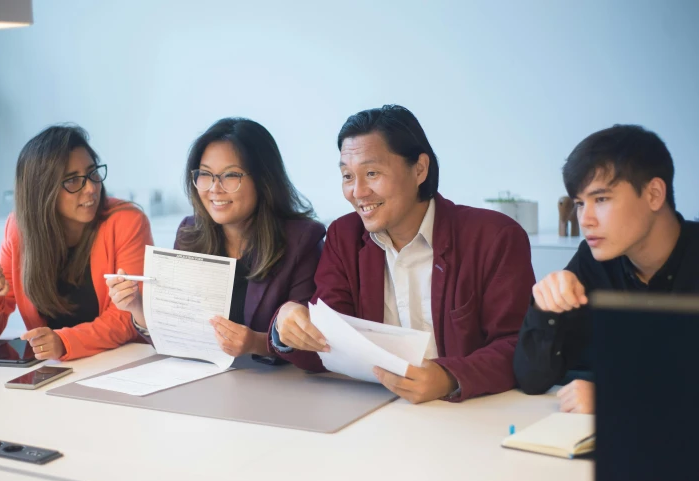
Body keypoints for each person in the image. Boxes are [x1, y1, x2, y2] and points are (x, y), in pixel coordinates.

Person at [270, 105, 534, 402]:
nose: (357, 192)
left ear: (419, 169)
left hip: (474, 409)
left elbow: (518, 345)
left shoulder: (493, 236)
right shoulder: (344, 237)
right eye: (347, 176)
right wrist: (287, 327)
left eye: (371, 173)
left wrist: (449, 377)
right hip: (376, 409)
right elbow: (329, 348)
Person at [514, 124, 699, 413]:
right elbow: (532, 379)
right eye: (579, 203)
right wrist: (545, 308)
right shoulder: (594, 258)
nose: (584, 219)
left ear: (653, 194)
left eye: (601, 199)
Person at [107, 118, 325, 362]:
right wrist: (137, 306)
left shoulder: (302, 240)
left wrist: (256, 342)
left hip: (279, 387)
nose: (214, 188)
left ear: (264, 180)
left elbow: (311, 346)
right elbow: (177, 335)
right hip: (204, 381)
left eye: (230, 175)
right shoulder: (190, 233)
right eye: (206, 175)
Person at [0, 125, 153, 361]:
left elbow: (128, 316)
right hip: (54, 368)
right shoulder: (19, 227)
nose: (92, 188)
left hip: (119, 361)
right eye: (73, 180)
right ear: (42, 191)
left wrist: (66, 342)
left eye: (93, 172)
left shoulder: (127, 221)